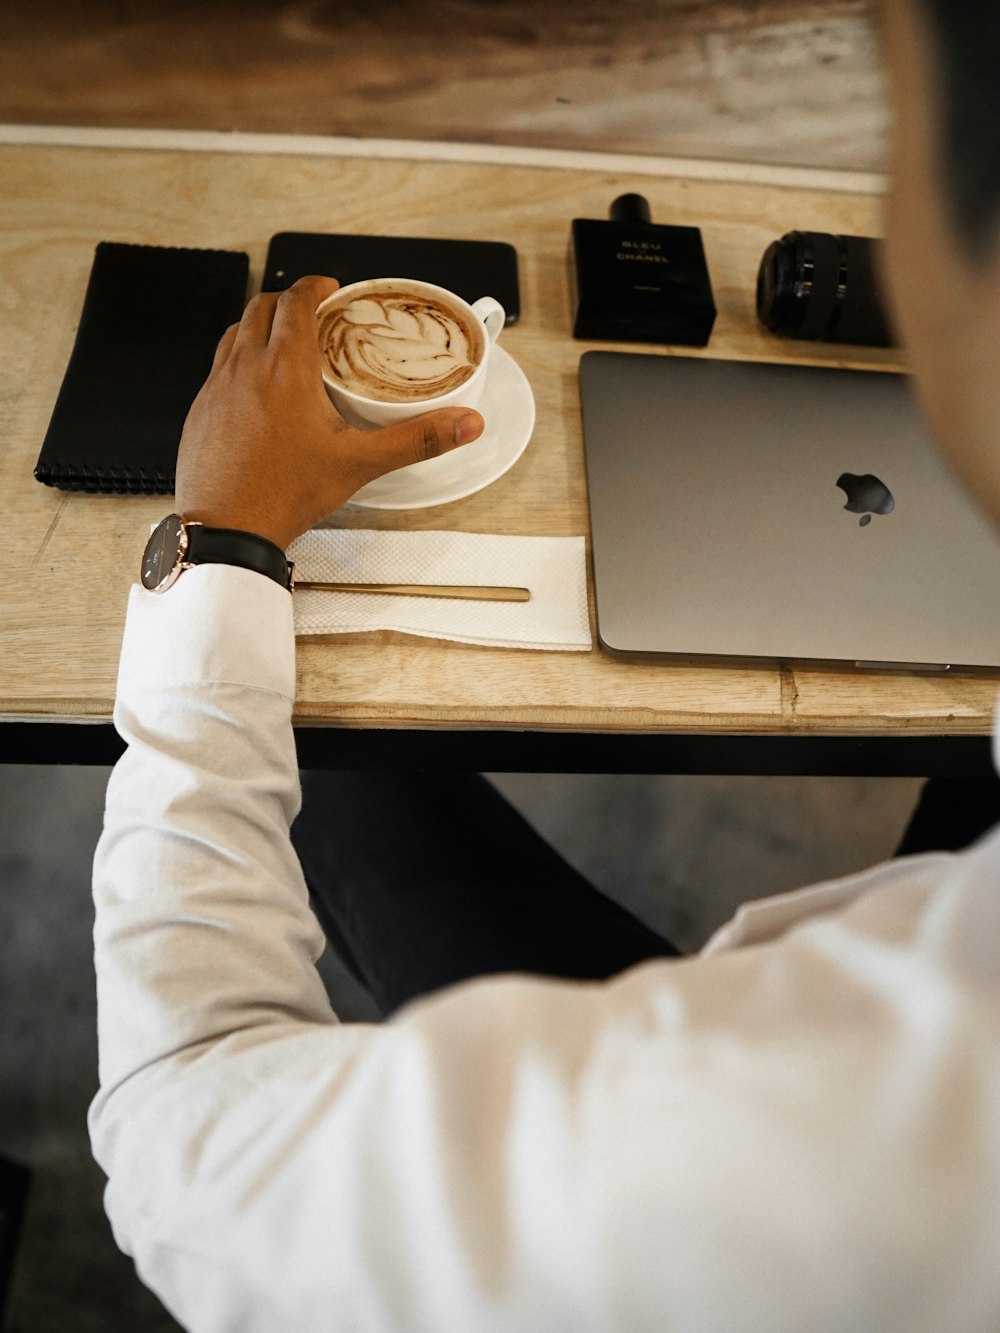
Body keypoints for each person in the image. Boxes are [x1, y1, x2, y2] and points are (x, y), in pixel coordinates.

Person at [90, 1, 1000, 1328]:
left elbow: (187, 1122)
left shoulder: (808, 1129)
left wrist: (218, 546)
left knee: (335, 770)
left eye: (885, 122)